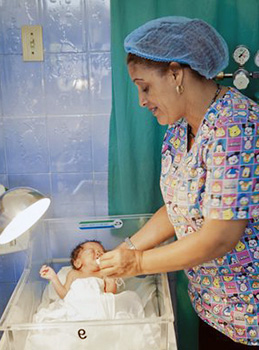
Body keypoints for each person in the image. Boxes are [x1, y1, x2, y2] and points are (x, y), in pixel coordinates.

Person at [99, 16, 259, 348]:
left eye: (145, 87)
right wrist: (127, 249)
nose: (142, 101)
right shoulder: (177, 130)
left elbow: (220, 237)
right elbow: (176, 208)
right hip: (213, 308)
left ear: (175, 73)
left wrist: (138, 263)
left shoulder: (237, 125)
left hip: (250, 315)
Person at [40, 239, 117, 298]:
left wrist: (111, 280)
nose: (98, 253)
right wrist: (53, 277)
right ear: (78, 263)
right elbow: (65, 295)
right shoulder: (74, 274)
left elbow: (110, 296)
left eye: (101, 252)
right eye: (92, 251)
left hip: (98, 306)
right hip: (77, 306)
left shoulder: (103, 273)